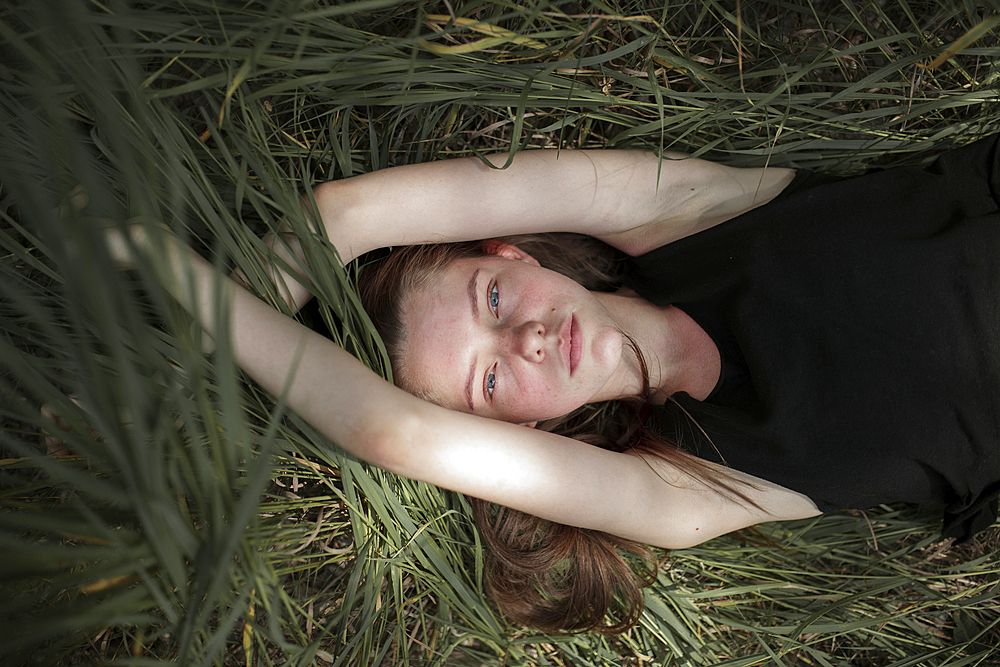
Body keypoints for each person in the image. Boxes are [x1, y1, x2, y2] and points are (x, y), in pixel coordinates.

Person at [105, 136, 1000, 634]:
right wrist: (198, 314)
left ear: (513, 249)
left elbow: (346, 215)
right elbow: (396, 434)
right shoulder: (683, 489)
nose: (528, 337)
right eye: (491, 377)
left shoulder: (689, 210)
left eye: (494, 298)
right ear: (519, 433)